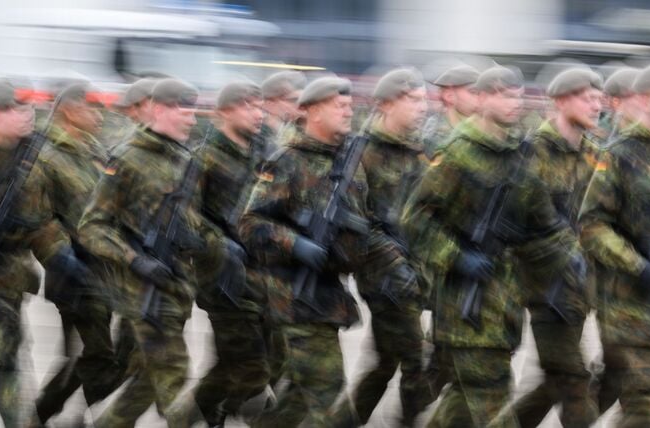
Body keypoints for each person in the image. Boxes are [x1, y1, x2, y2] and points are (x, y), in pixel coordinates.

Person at [401, 66, 584, 427]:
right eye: (503, 94)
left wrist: (573, 256)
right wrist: (457, 257)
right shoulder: (456, 152)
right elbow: (415, 219)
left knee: (462, 406)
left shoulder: (521, 154)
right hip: (464, 302)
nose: (514, 102)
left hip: (505, 302)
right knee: (493, 402)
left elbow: (543, 223)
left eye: (517, 94)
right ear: (481, 99)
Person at [240, 76, 406, 427]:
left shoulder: (349, 162)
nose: (349, 111)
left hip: (328, 293)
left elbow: (364, 224)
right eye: (338, 105)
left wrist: (395, 261)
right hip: (294, 295)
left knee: (299, 400)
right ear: (313, 111)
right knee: (331, 404)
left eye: (350, 106)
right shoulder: (288, 160)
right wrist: (295, 243)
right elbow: (251, 223)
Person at [79, 78, 225, 428]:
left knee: (146, 382)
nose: (192, 119)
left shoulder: (184, 157)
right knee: (174, 378)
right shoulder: (127, 158)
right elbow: (92, 227)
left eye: (194, 112)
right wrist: (135, 260)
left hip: (177, 288)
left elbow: (192, 220)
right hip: (144, 293)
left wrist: (212, 245)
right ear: (158, 109)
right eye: (183, 111)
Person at [577, 63, 650, 426]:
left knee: (643, 415)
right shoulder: (619, 154)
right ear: (646, 100)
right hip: (631, 312)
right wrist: (640, 266)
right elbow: (591, 226)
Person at [166, 81, 273, 427]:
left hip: (263, 275)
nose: (258, 113)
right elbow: (183, 215)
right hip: (223, 278)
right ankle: (190, 417)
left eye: (260, 106)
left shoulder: (263, 152)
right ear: (225, 111)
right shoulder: (204, 156)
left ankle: (200, 414)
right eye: (248, 106)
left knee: (241, 362)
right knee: (251, 367)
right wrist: (217, 241)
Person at [0, 79, 93, 428]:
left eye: (30, 106)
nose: (28, 114)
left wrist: (69, 262)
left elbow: (39, 225)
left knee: (7, 371)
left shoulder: (30, 161)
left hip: (2, 297)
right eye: (17, 108)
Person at [506, 67, 604, 428]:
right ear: (561, 101)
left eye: (599, 99)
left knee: (553, 382)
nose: (597, 105)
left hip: (581, 289)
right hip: (545, 289)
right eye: (587, 98)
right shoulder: (532, 152)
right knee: (574, 382)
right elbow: (522, 223)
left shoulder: (595, 154)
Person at [336, 68, 432, 426]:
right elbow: (356, 220)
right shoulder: (362, 152)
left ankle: (346, 420)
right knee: (417, 359)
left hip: (416, 271)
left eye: (424, 100)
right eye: (414, 100)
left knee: (384, 361)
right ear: (387, 103)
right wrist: (395, 263)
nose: (423, 108)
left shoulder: (419, 150)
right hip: (384, 276)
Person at [32, 82, 130, 426]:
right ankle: (46, 414)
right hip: (72, 274)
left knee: (97, 354)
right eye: (92, 107)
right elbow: (40, 220)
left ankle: (53, 414)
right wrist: (69, 262)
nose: (99, 114)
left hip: (103, 271)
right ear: (70, 110)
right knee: (98, 355)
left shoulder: (91, 148)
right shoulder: (45, 155)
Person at [421, 64, 480, 158]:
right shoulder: (435, 138)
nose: (480, 98)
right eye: (473, 92)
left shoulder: (476, 127)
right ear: (449, 96)